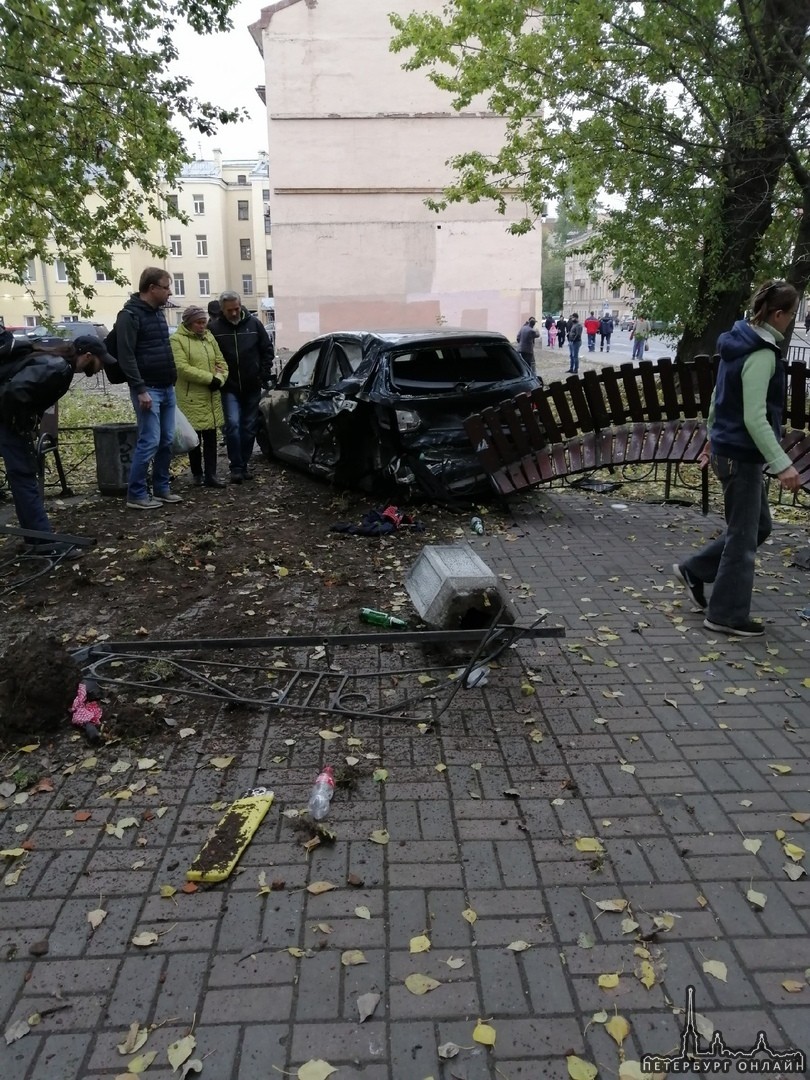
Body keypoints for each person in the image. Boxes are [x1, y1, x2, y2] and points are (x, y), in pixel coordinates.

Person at [673, 279, 801, 637]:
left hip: (729, 450)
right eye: (791, 315)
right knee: (743, 539)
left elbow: (719, 397)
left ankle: (696, 570)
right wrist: (783, 464)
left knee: (757, 527)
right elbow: (754, 417)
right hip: (742, 456)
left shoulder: (738, 341)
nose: (790, 322)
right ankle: (726, 615)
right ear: (778, 314)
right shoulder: (761, 353)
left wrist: (712, 440)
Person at [0, 332, 109, 551]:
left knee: (23, 479)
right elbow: (15, 391)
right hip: (6, 424)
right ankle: (42, 543)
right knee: (25, 478)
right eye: (100, 362)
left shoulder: (59, 366)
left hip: (8, 422)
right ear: (88, 356)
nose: (102, 368)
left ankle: (35, 538)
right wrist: (22, 424)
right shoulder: (58, 368)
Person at [113, 267, 180, 510]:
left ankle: (162, 489)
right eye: (166, 287)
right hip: (148, 389)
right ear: (152, 288)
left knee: (166, 440)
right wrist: (140, 389)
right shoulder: (129, 315)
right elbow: (127, 356)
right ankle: (136, 493)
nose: (169, 292)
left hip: (166, 386)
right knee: (149, 440)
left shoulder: (158, 313)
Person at [208, 291, 275, 483]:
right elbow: (210, 356)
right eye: (230, 310)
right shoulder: (214, 329)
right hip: (229, 386)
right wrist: (219, 377)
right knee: (233, 425)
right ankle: (236, 466)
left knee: (248, 427)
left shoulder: (254, 325)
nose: (235, 313)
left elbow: (266, 349)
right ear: (223, 309)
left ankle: (243, 464)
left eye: (237, 309)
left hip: (252, 384)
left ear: (240, 305)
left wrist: (262, 373)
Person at [170, 305, 229, 488]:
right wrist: (210, 378)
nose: (203, 326)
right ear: (189, 323)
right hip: (191, 396)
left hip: (211, 394)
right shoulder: (176, 340)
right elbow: (182, 368)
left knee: (211, 437)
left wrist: (219, 379)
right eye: (199, 322)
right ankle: (197, 474)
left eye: (204, 322)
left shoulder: (209, 337)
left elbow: (221, 362)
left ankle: (211, 475)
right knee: (194, 438)